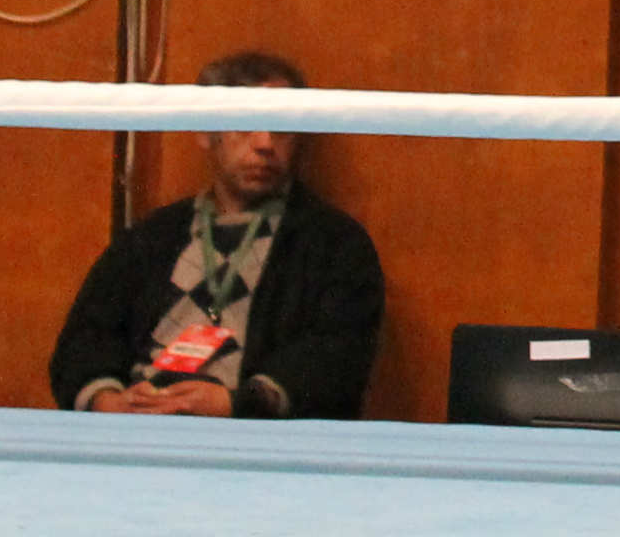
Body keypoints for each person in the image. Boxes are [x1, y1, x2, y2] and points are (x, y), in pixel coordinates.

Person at [49, 49, 385, 420]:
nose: (265, 144)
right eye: (246, 124)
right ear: (207, 134)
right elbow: (84, 340)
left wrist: (236, 404)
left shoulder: (334, 245)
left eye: (282, 128)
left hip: (253, 438)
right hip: (138, 426)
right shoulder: (150, 239)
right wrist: (107, 401)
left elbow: (337, 361)